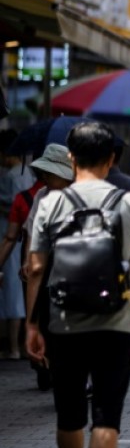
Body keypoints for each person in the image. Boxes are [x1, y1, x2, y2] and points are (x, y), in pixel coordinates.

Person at [24, 122, 130, 448]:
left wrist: (32, 325)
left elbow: (36, 268)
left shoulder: (49, 203)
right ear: (112, 158)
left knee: (69, 413)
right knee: (107, 415)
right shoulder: (128, 202)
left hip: (63, 323)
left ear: (70, 158)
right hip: (115, 323)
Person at [0, 144, 73, 386]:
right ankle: (54, 370)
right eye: (46, 174)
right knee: (49, 326)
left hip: (76, 273)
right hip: (49, 271)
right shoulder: (41, 196)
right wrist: (28, 261)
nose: (46, 178)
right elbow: (32, 233)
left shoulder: (80, 196)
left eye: (51, 174)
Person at [0, 147, 35, 359]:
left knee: (13, 290)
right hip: (22, 240)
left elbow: (12, 231)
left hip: (12, 237)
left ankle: (14, 346)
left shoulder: (14, 177)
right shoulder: (28, 174)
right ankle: (19, 345)